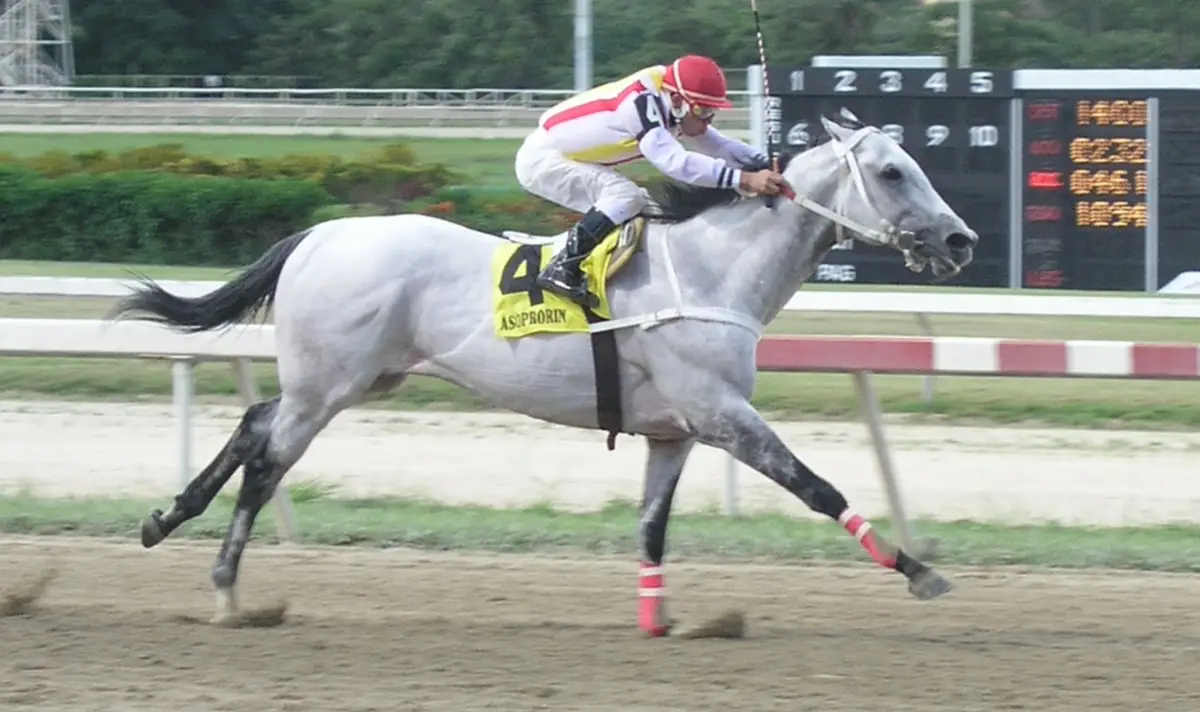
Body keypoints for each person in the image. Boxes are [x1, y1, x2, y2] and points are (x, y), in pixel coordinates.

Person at [513, 54, 788, 306]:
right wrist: (744, 179)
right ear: (678, 101)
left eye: (711, 113)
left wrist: (764, 163)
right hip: (543, 159)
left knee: (647, 207)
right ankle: (563, 267)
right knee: (626, 197)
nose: (707, 121)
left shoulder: (671, 100)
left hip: (569, 156)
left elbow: (718, 145)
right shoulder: (641, 104)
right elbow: (675, 163)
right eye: (703, 112)